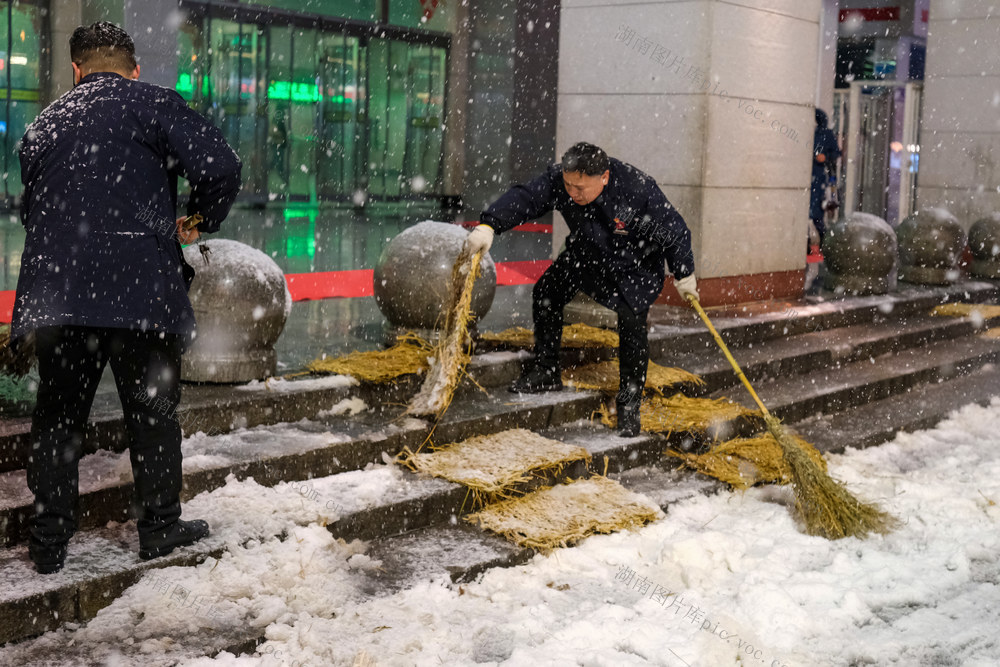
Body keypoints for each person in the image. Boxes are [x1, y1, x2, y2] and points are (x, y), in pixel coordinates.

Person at [13, 22, 242, 573]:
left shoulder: (46, 123)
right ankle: (160, 528)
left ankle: (48, 543)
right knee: (153, 413)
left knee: (58, 418)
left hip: (60, 295)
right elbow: (221, 167)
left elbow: (33, 202)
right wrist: (198, 219)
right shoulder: (155, 104)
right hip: (141, 295)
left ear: (76, 69)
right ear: (133, 68)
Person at [464, 142, 697, 437]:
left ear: (604, 178)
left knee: (632, 329)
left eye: (581, 188)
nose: (573, 194)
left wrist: (684, 273)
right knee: (547, 291)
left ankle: (629, 406)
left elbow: (673, 232)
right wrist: (490, 225)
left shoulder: (636, 191)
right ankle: (547, 371)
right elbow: (526, 197)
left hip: (633, 268)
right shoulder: (563, 181)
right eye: (569, 185)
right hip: (586, 255)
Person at [810, 108, 841, 250]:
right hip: (810, 175)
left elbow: (836, 153)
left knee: (816, 209)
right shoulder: (810, 132)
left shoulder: (825, 134)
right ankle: (816, 241)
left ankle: (822, 240)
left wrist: (825, 158)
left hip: (818, 176)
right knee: (810, 208)